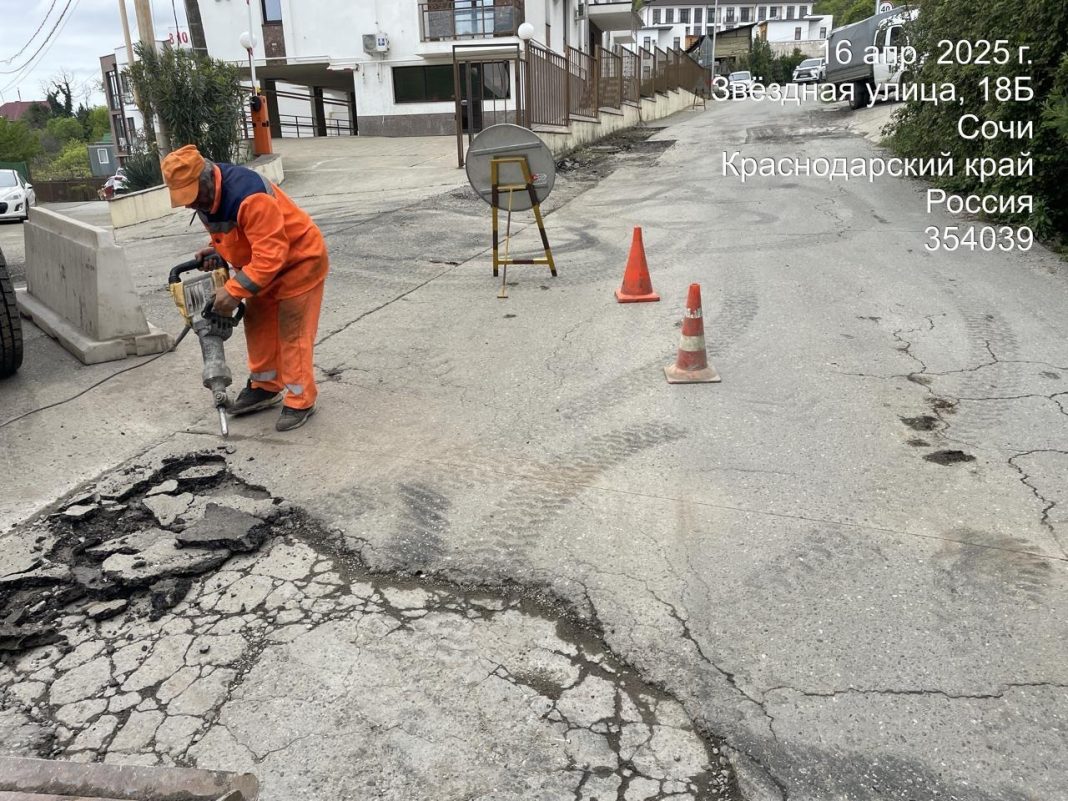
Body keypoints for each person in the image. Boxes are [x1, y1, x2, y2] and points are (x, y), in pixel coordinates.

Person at [161, 144, 329, 431]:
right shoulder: (206, 200)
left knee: (293, 332)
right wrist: (217, 250)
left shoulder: (249, 196)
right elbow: (240, 234)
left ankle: (301, 399)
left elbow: (272, 254)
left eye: (193, 196)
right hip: (260, 267)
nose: (190, 204)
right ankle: (265, 386)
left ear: (206, 178)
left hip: (299, 262)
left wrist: (234, 291)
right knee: (258, 325)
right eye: (185, 198)